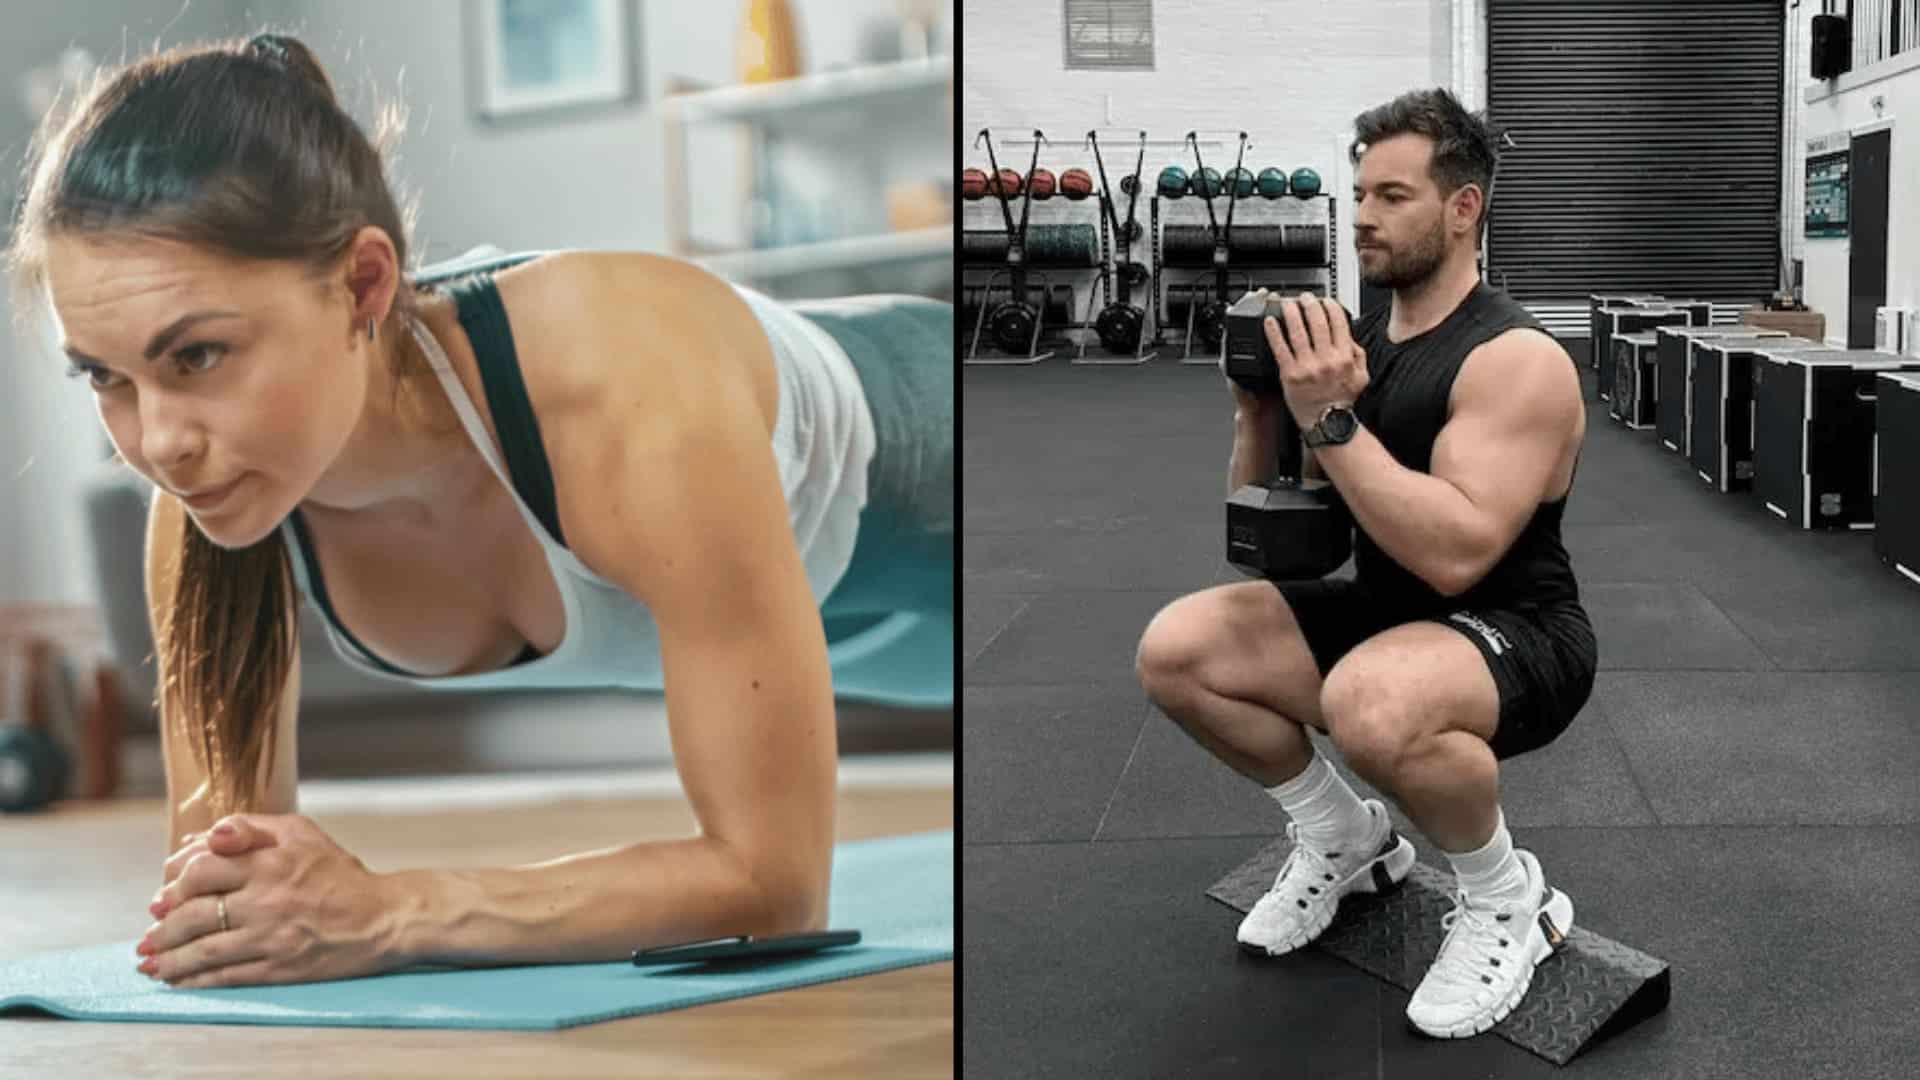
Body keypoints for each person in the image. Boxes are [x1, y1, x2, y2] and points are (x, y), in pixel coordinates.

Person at [3, 33, 952, 990]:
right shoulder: (212, 508)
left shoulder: (620, 384)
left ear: (364, 284)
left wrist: (394, 910)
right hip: (849, 627)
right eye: (103, 376)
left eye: (197, 355)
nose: (158, 442)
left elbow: (775, 889)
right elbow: (223, 910)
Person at [1134, 87, 1595, 1038]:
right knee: (1179, 650)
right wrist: (1259, 408)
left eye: (1392, 195)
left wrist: (1331, 419)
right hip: (1387, 609)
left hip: (1515, 631)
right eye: (1360, 193)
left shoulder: (1515, 359)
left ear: (1463, 208)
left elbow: (1460, 554)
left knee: (1370, 704)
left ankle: (1510, 896)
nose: (1362, 216)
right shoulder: (1359, 343)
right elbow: (1281, 542)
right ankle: (1344, 835)